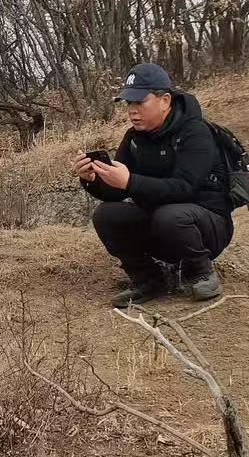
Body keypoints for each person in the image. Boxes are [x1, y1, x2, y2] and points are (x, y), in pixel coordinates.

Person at [72, 62, 233, 307]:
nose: (132, 111)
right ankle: (148, 279)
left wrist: (130, 181)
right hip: (161, 224)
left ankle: (201, 272)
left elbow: (185, 188)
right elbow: (117, 191)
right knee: (106, 215)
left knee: (170, 216)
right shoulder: (134, 138)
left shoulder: (196, 132)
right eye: (129, 103)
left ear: (165, 100)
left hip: (207, 226)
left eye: (140, 102)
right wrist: (92, 180)